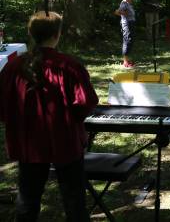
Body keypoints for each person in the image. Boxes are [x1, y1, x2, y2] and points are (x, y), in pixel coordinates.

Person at [0, 11, 98, 221]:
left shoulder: (13, 66)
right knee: (74, 202)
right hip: (65, 141)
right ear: (58, 34)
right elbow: (85, 104)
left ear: (30, 33)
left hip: (29, 143)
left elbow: (3, 108)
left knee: (28, 200)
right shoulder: (69, 66)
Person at [115, 0, 136, 68]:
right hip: (127, 24)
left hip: (131, 23)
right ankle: (125, 62)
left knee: (130, 40)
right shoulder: (124, 3)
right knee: (127, 40)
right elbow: (117, 12)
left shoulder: (128, 3)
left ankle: (128, 60)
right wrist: (124, 13)